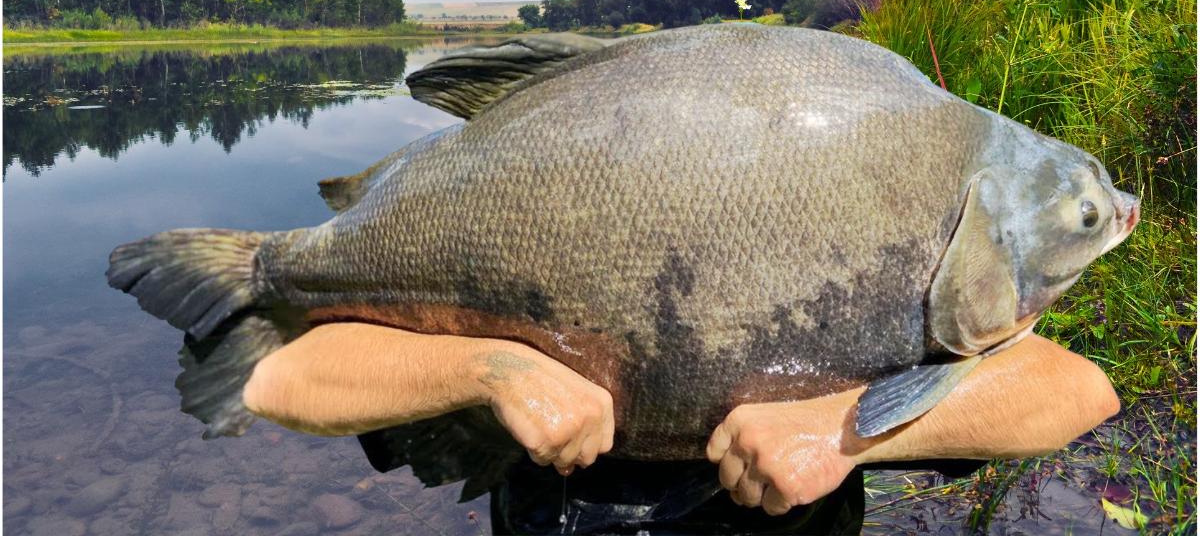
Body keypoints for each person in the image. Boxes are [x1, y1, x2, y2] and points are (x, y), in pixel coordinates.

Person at [243, 322, 1118, 534]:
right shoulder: (513, 271)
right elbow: (279, 376)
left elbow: (1074, 389)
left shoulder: (828, 299)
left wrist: (839, 433)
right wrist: (484, 368)